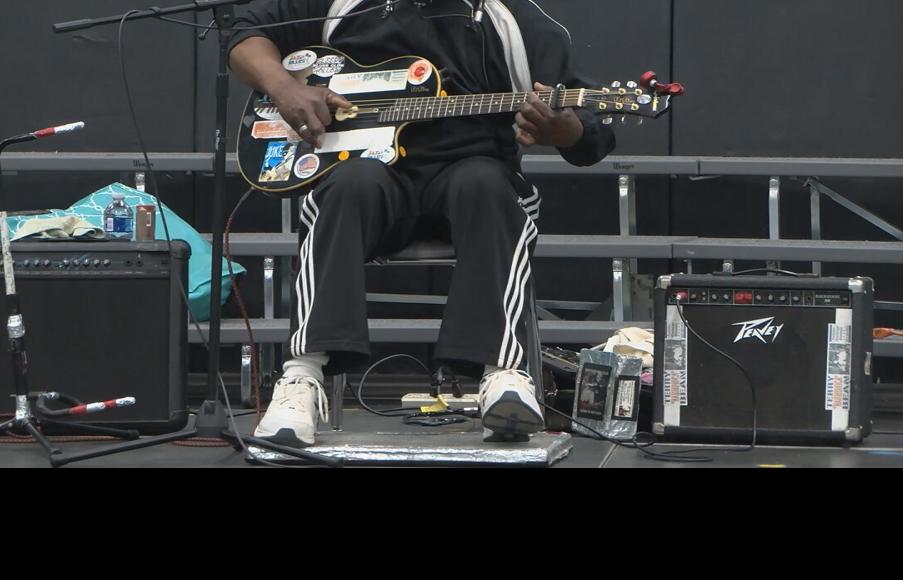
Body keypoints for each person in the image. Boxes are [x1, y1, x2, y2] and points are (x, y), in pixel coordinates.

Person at [229, 0, 615, 446]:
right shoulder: (342, 4)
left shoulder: (514, 18)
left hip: (467, 177)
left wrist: (566, 131)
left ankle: (505, 376)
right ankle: (301, 377)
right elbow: (244, 35)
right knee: (345, 187)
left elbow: (590, 130)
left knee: (489, 186)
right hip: (370, 179)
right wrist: (284, 87)